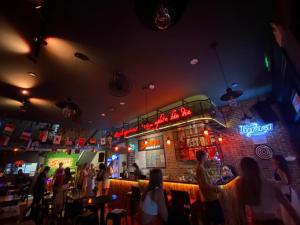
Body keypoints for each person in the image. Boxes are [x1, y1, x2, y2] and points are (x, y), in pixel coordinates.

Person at [236, 157, 300, 225]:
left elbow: (244, 209)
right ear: (258, 168)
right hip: (273, 220)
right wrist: (297, 220)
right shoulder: (269, 184)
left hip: (257, 221)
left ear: (242, 170)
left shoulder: (242, 187)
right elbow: (287, 205)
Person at [195, 150, 224, 225]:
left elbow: (205, 182)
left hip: (210, 196)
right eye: (206, 155)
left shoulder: (201, 167)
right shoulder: (200, 168)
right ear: (202, 157)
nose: (207, 157)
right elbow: (205, 185)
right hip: (210, 197)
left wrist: (212, 182)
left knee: (216, 218)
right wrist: (217, 188)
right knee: (218, 219)